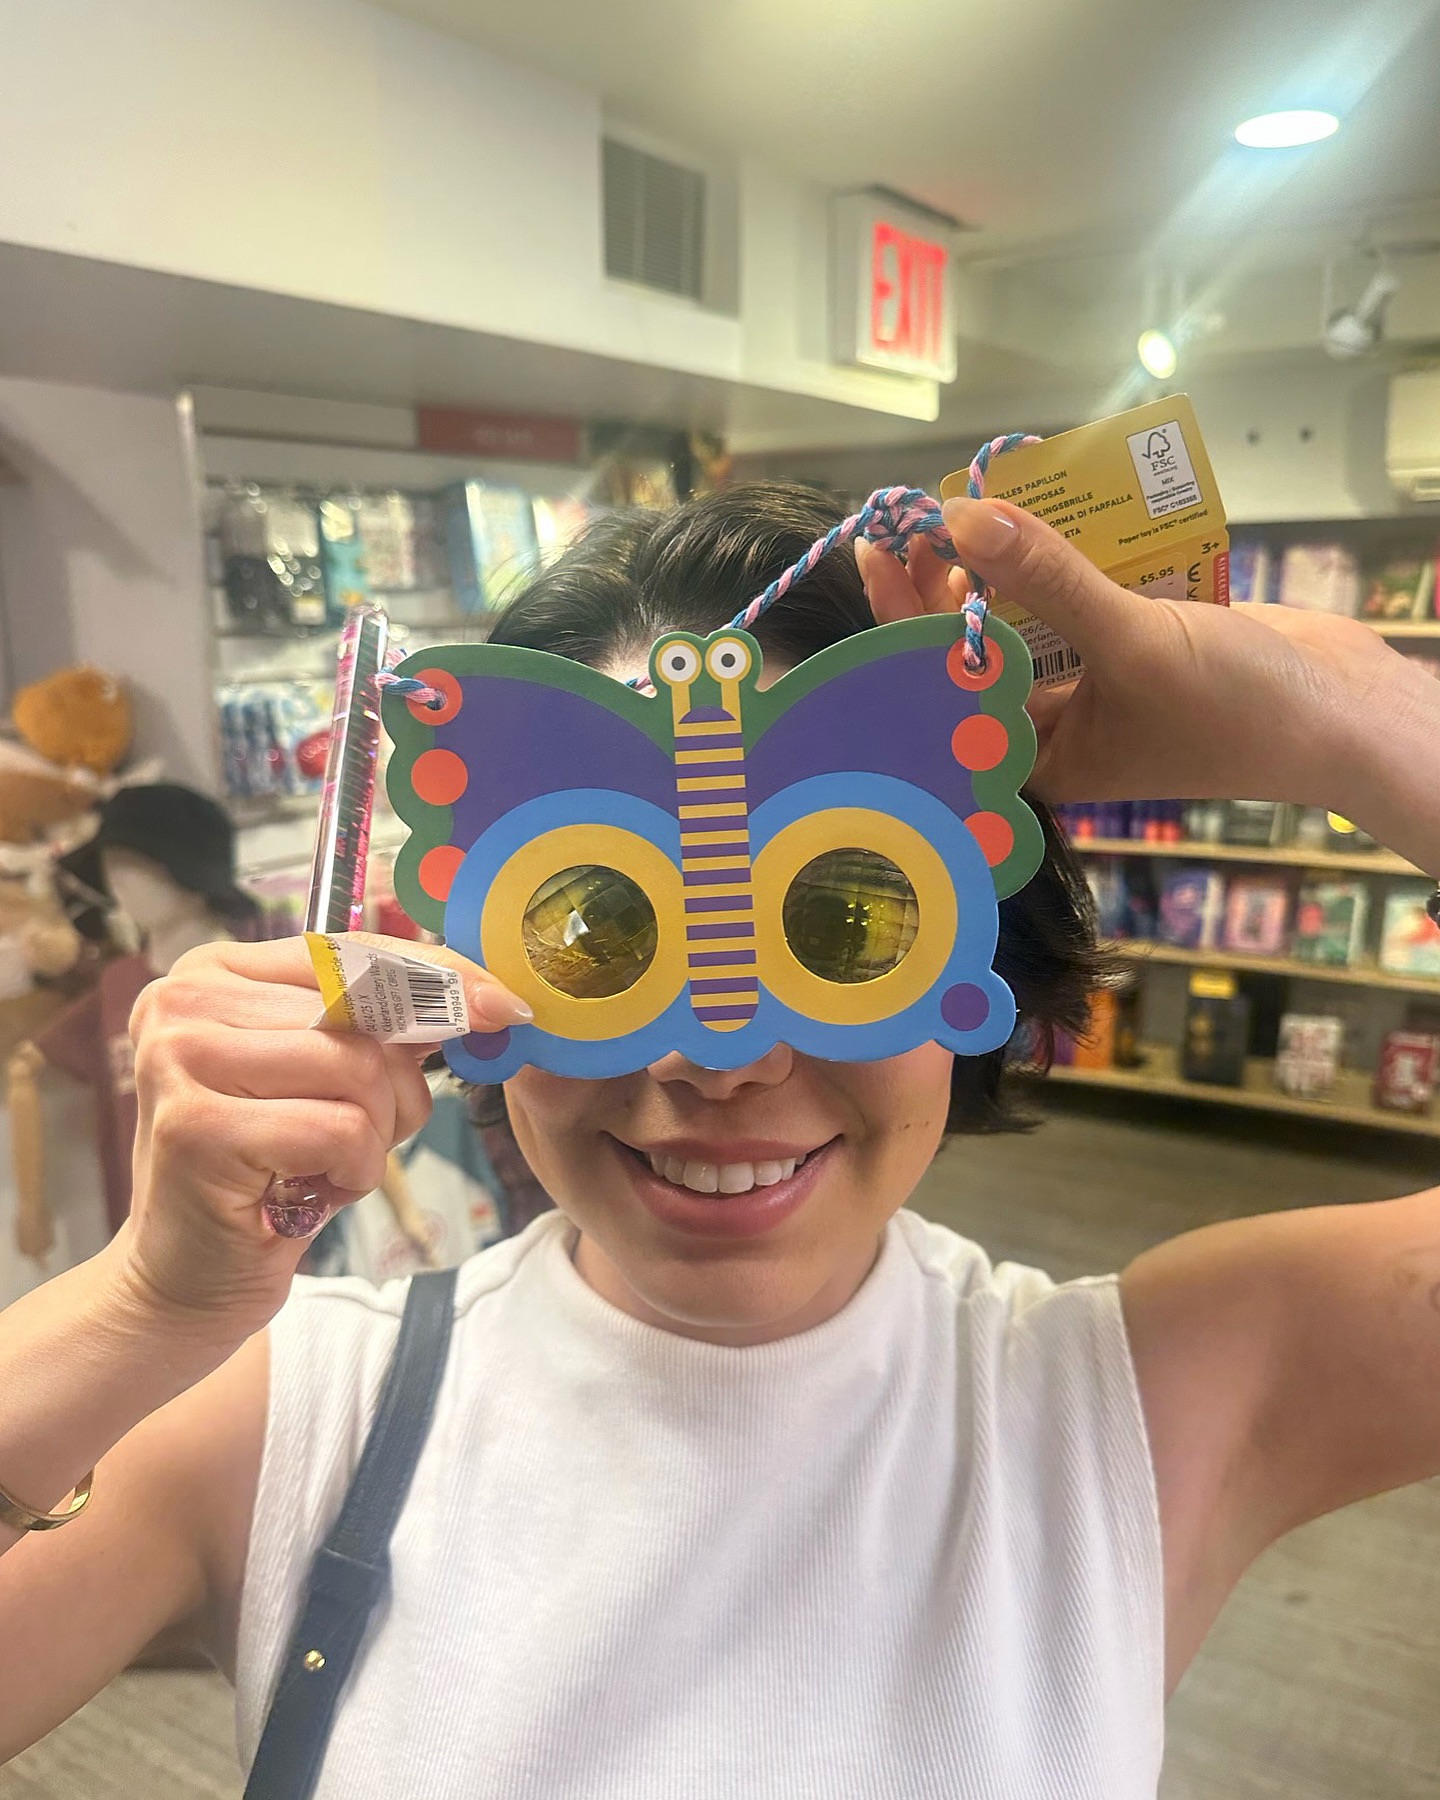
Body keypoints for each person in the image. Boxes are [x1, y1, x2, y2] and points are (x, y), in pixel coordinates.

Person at [0, 484, 1436, 1798]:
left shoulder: (1147, 1411)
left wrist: (1348, 711)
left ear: (976, 961)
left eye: (847, 919)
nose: (722, 1055)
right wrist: (143, 1307)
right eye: (597, 931)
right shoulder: (289, 1416)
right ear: (469, 968)